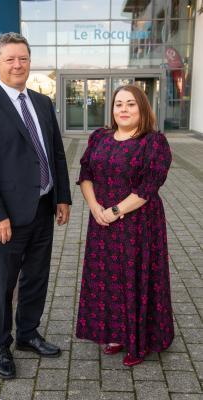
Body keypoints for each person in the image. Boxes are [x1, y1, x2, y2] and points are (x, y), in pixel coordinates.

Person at [0, 32, 71, 379]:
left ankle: (27, 334)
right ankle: (0, 345)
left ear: (29, 61)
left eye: (22, 58)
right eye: (9, 59)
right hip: (7, 217)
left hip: (42, 208)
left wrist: (63, 196)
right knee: (2, 285)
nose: (17, 64)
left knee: (37, 278)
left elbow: (55, 152)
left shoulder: (42, 102)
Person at [76, 84, 174, 366]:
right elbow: (85, 175)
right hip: (102, 223)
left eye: (130, 104)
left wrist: (116, 210)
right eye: (119, 104)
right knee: (108, 279)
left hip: (138, 224)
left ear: (142, 108)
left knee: (136, 279)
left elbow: (149, 186)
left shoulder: (153, 142)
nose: (124, 109)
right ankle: (116, 334)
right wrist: (96, 208)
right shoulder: (99, 137)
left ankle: (139, 342)